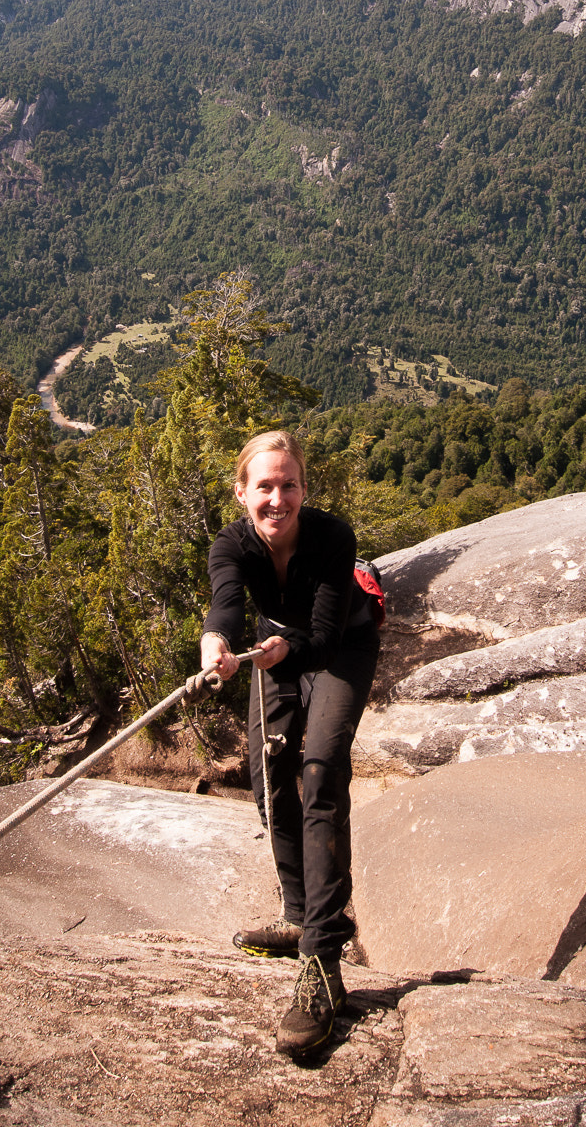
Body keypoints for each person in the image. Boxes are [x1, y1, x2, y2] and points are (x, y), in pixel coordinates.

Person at [200, 430, 379, 1057]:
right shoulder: (232, 543)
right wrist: (215, 645)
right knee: (266, 773)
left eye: (290, 485)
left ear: (305, 487)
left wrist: (281, 648)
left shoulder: (332, 536)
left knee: (320, 768)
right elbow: (226, 604)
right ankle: (303, 914)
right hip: (274, 649)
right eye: (265, 487)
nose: (279, 499)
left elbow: (325, 637)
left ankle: (322, 961)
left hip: (339, 648)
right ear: (242, 492)